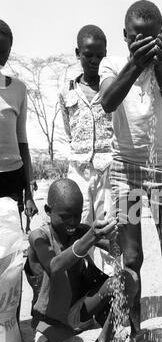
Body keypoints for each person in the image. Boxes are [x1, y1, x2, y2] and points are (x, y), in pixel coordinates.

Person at [99, 0, 162, 330]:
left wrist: (160, 61)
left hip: (161, 172)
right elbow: (108, 101)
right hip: (126, 173)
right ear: (125, 36)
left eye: (151, 38)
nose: (144, 44)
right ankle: (134, 330)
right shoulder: (113, 64)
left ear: (161, 37)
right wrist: (135, 63)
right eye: (137, 39)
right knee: (132, 257)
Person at [25, 178, 138, 342]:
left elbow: (120, 251)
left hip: (81, 310)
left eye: (77, 216)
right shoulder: (39, 237)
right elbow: (54, 265)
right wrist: (88, 239)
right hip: (52, 322)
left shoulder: (80, 229)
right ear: (48, 211)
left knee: (129, 279)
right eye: (65, 216)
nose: (72, 223)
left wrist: (117, 231)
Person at [58, 25, 115, 274]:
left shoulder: (113, 89)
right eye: (88, 55)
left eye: (99, 56)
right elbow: (68, 130)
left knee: (109, 228)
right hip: (78, 172)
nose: (93, 61)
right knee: (79, 229)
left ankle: (113, 292)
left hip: (108, 172)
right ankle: (83, 291)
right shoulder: (66, 90)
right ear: (77, 53)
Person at [0, 19, 38, 222]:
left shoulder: (18, 89)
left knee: (9, 245)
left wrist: (29, 193)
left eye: (3, 51)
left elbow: (22, 140)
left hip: (11, 179)